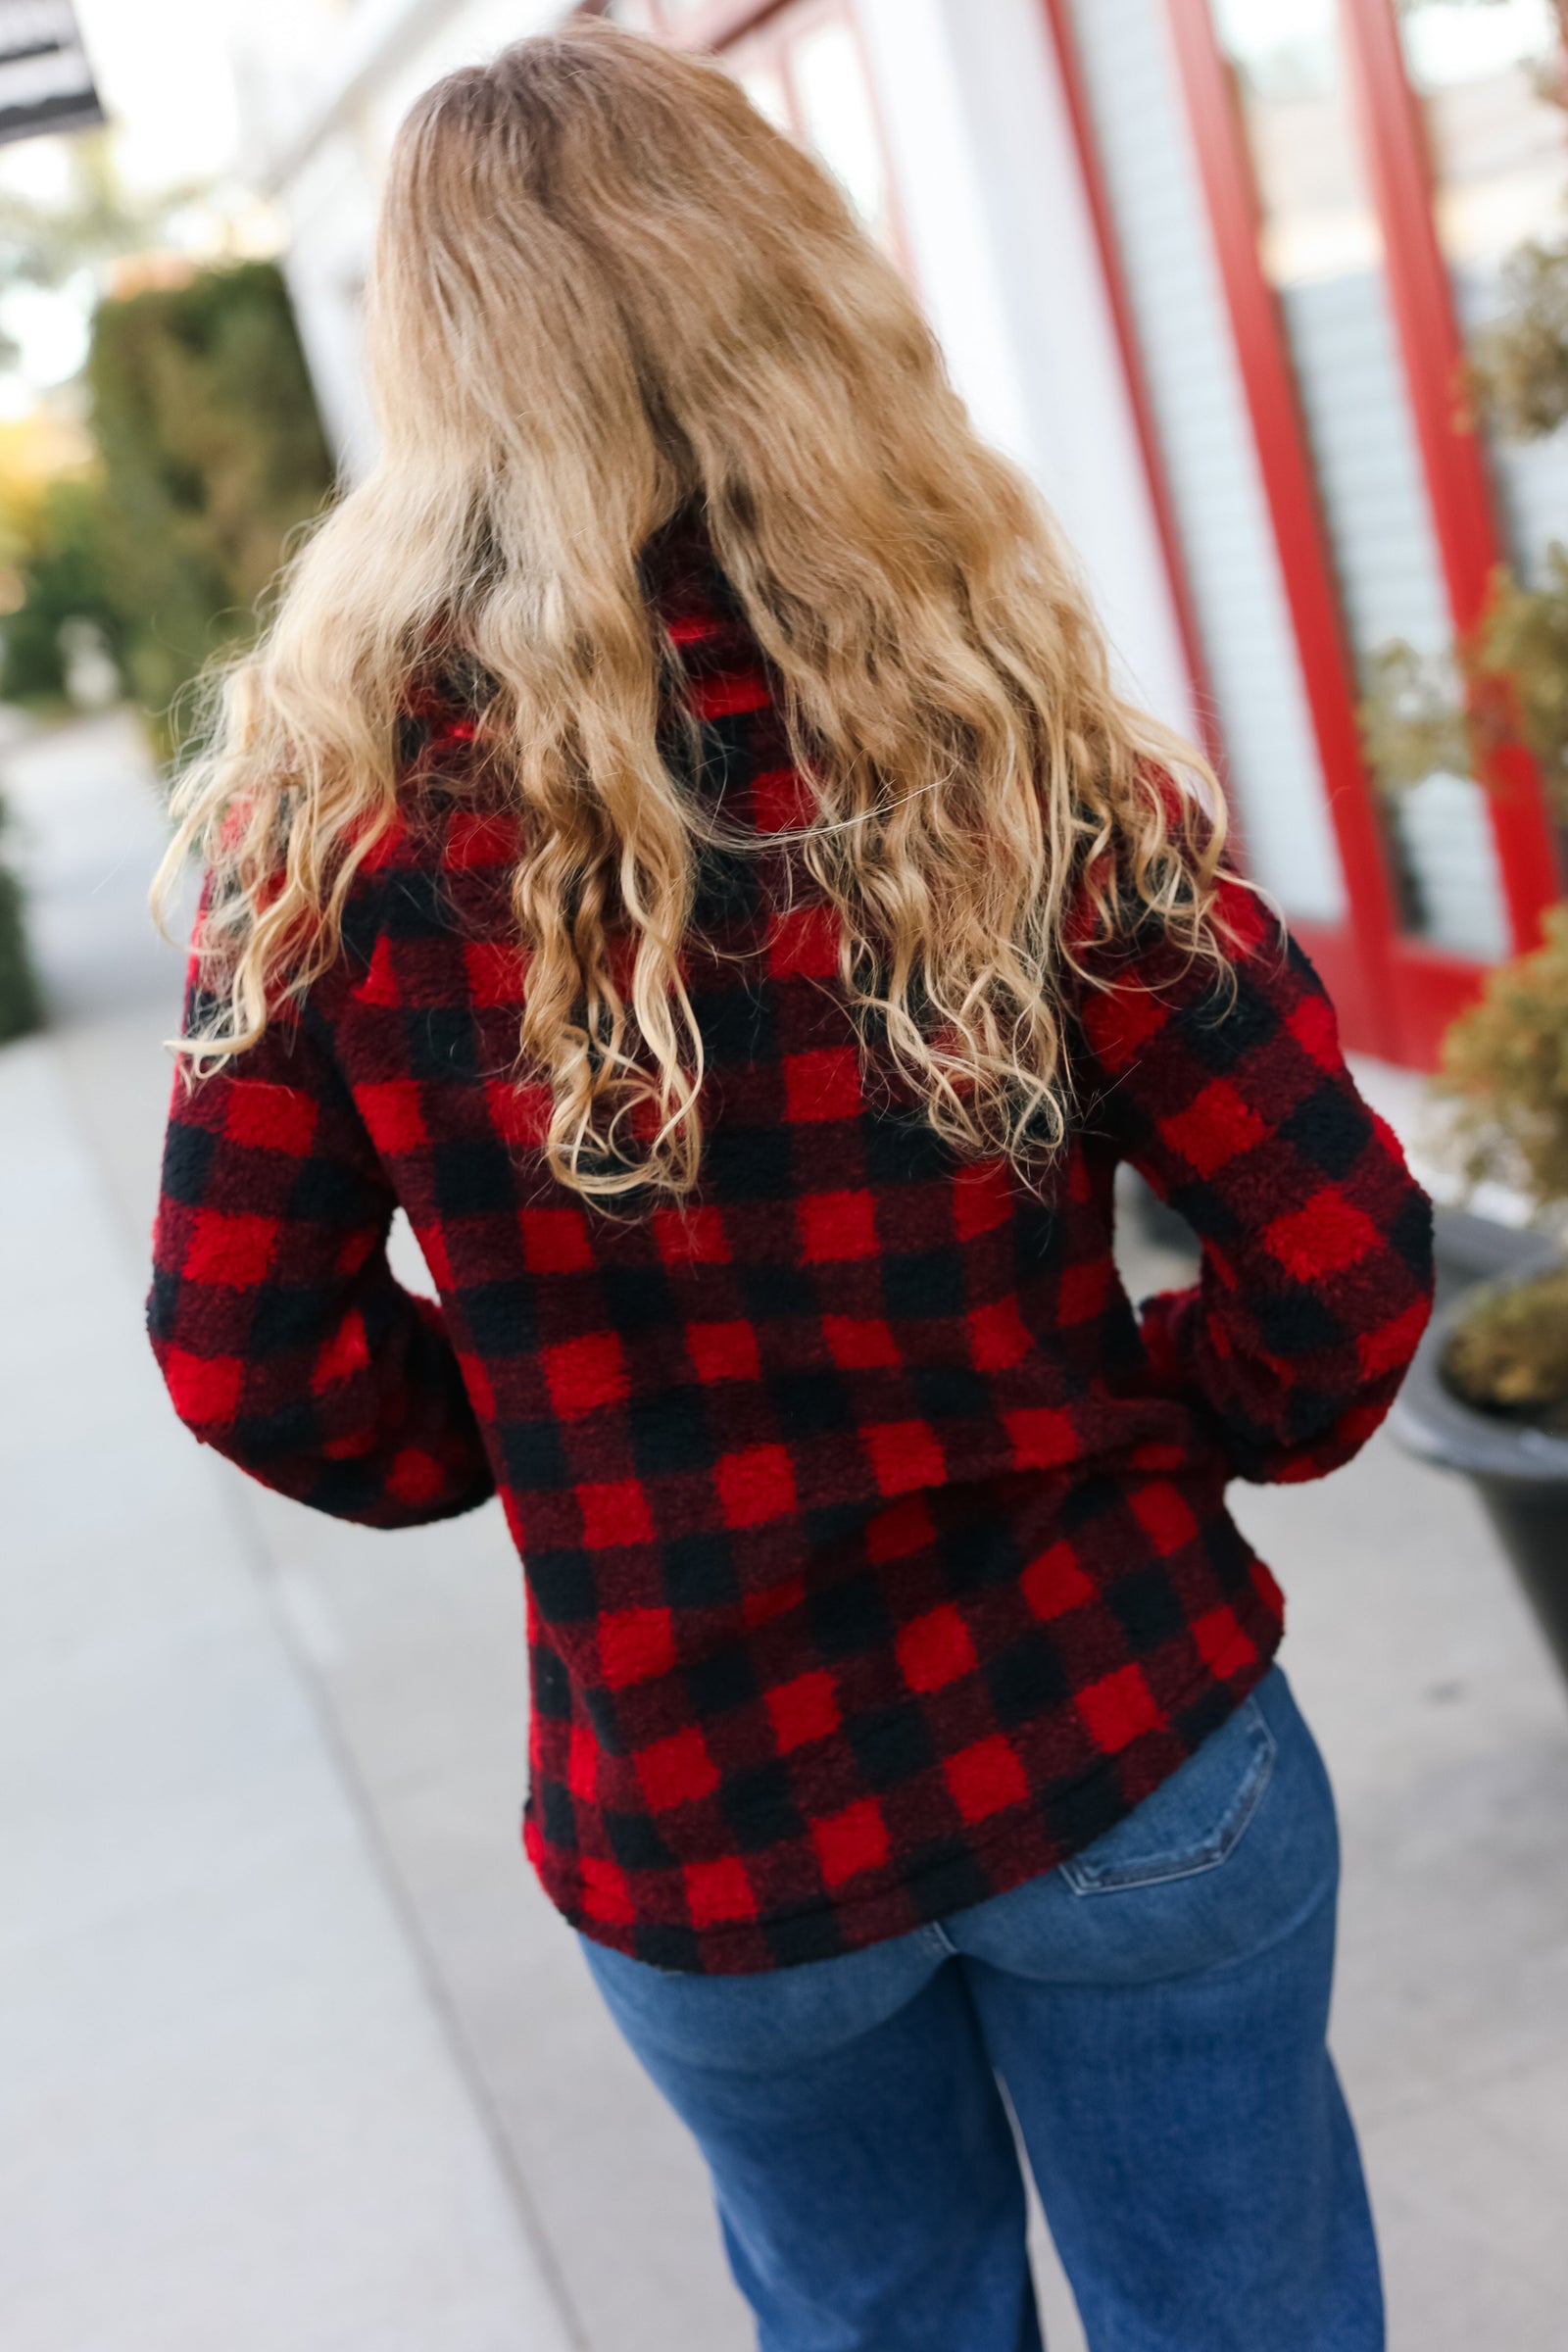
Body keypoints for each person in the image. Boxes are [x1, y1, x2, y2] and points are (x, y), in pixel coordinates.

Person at [147, 23, 1432, 2350]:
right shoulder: (982, 733)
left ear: (434, 368)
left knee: (866, 2318)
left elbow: (250, 1358)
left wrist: (536, 1443)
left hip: (707, 1814)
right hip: (1117, 1728)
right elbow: (1335, 1264)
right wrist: (1150, 1410)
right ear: (777, 290)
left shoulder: (331, 826)